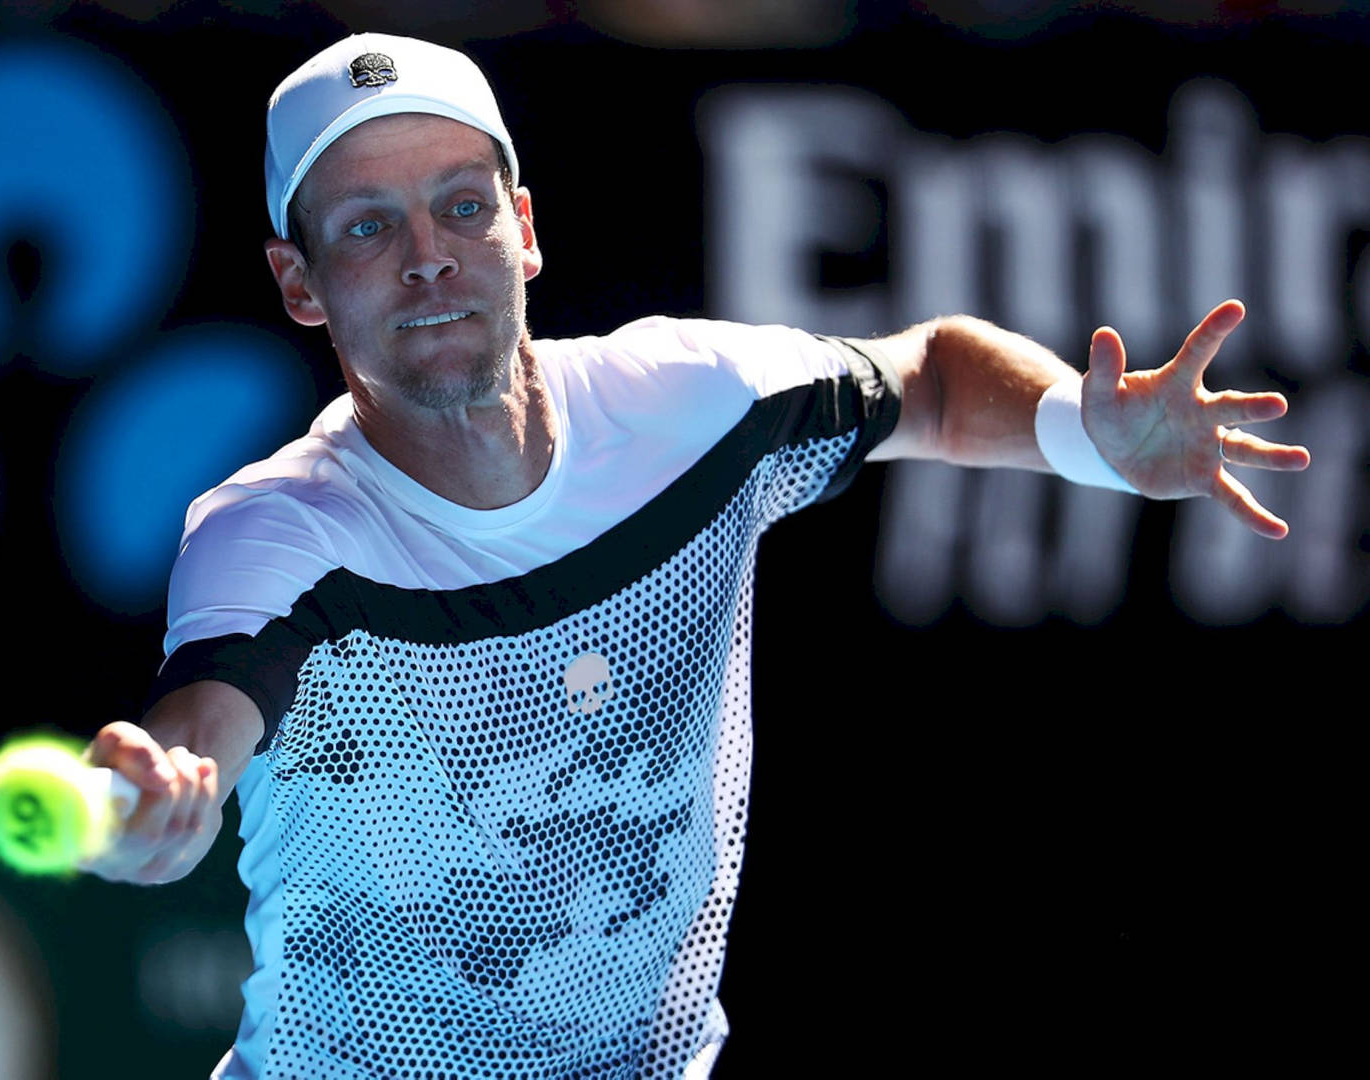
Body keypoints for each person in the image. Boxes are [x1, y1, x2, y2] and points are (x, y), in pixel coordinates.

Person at [76, 33, 1309, 1080]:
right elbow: (204, 720)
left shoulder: (695, 403)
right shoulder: (278, 531)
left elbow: (927, 375)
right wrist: (165, 803)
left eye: (461, 205)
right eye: (366, 227)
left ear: (524, 227)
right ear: (299, 284)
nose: (428, 255)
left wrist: (1076, 432)